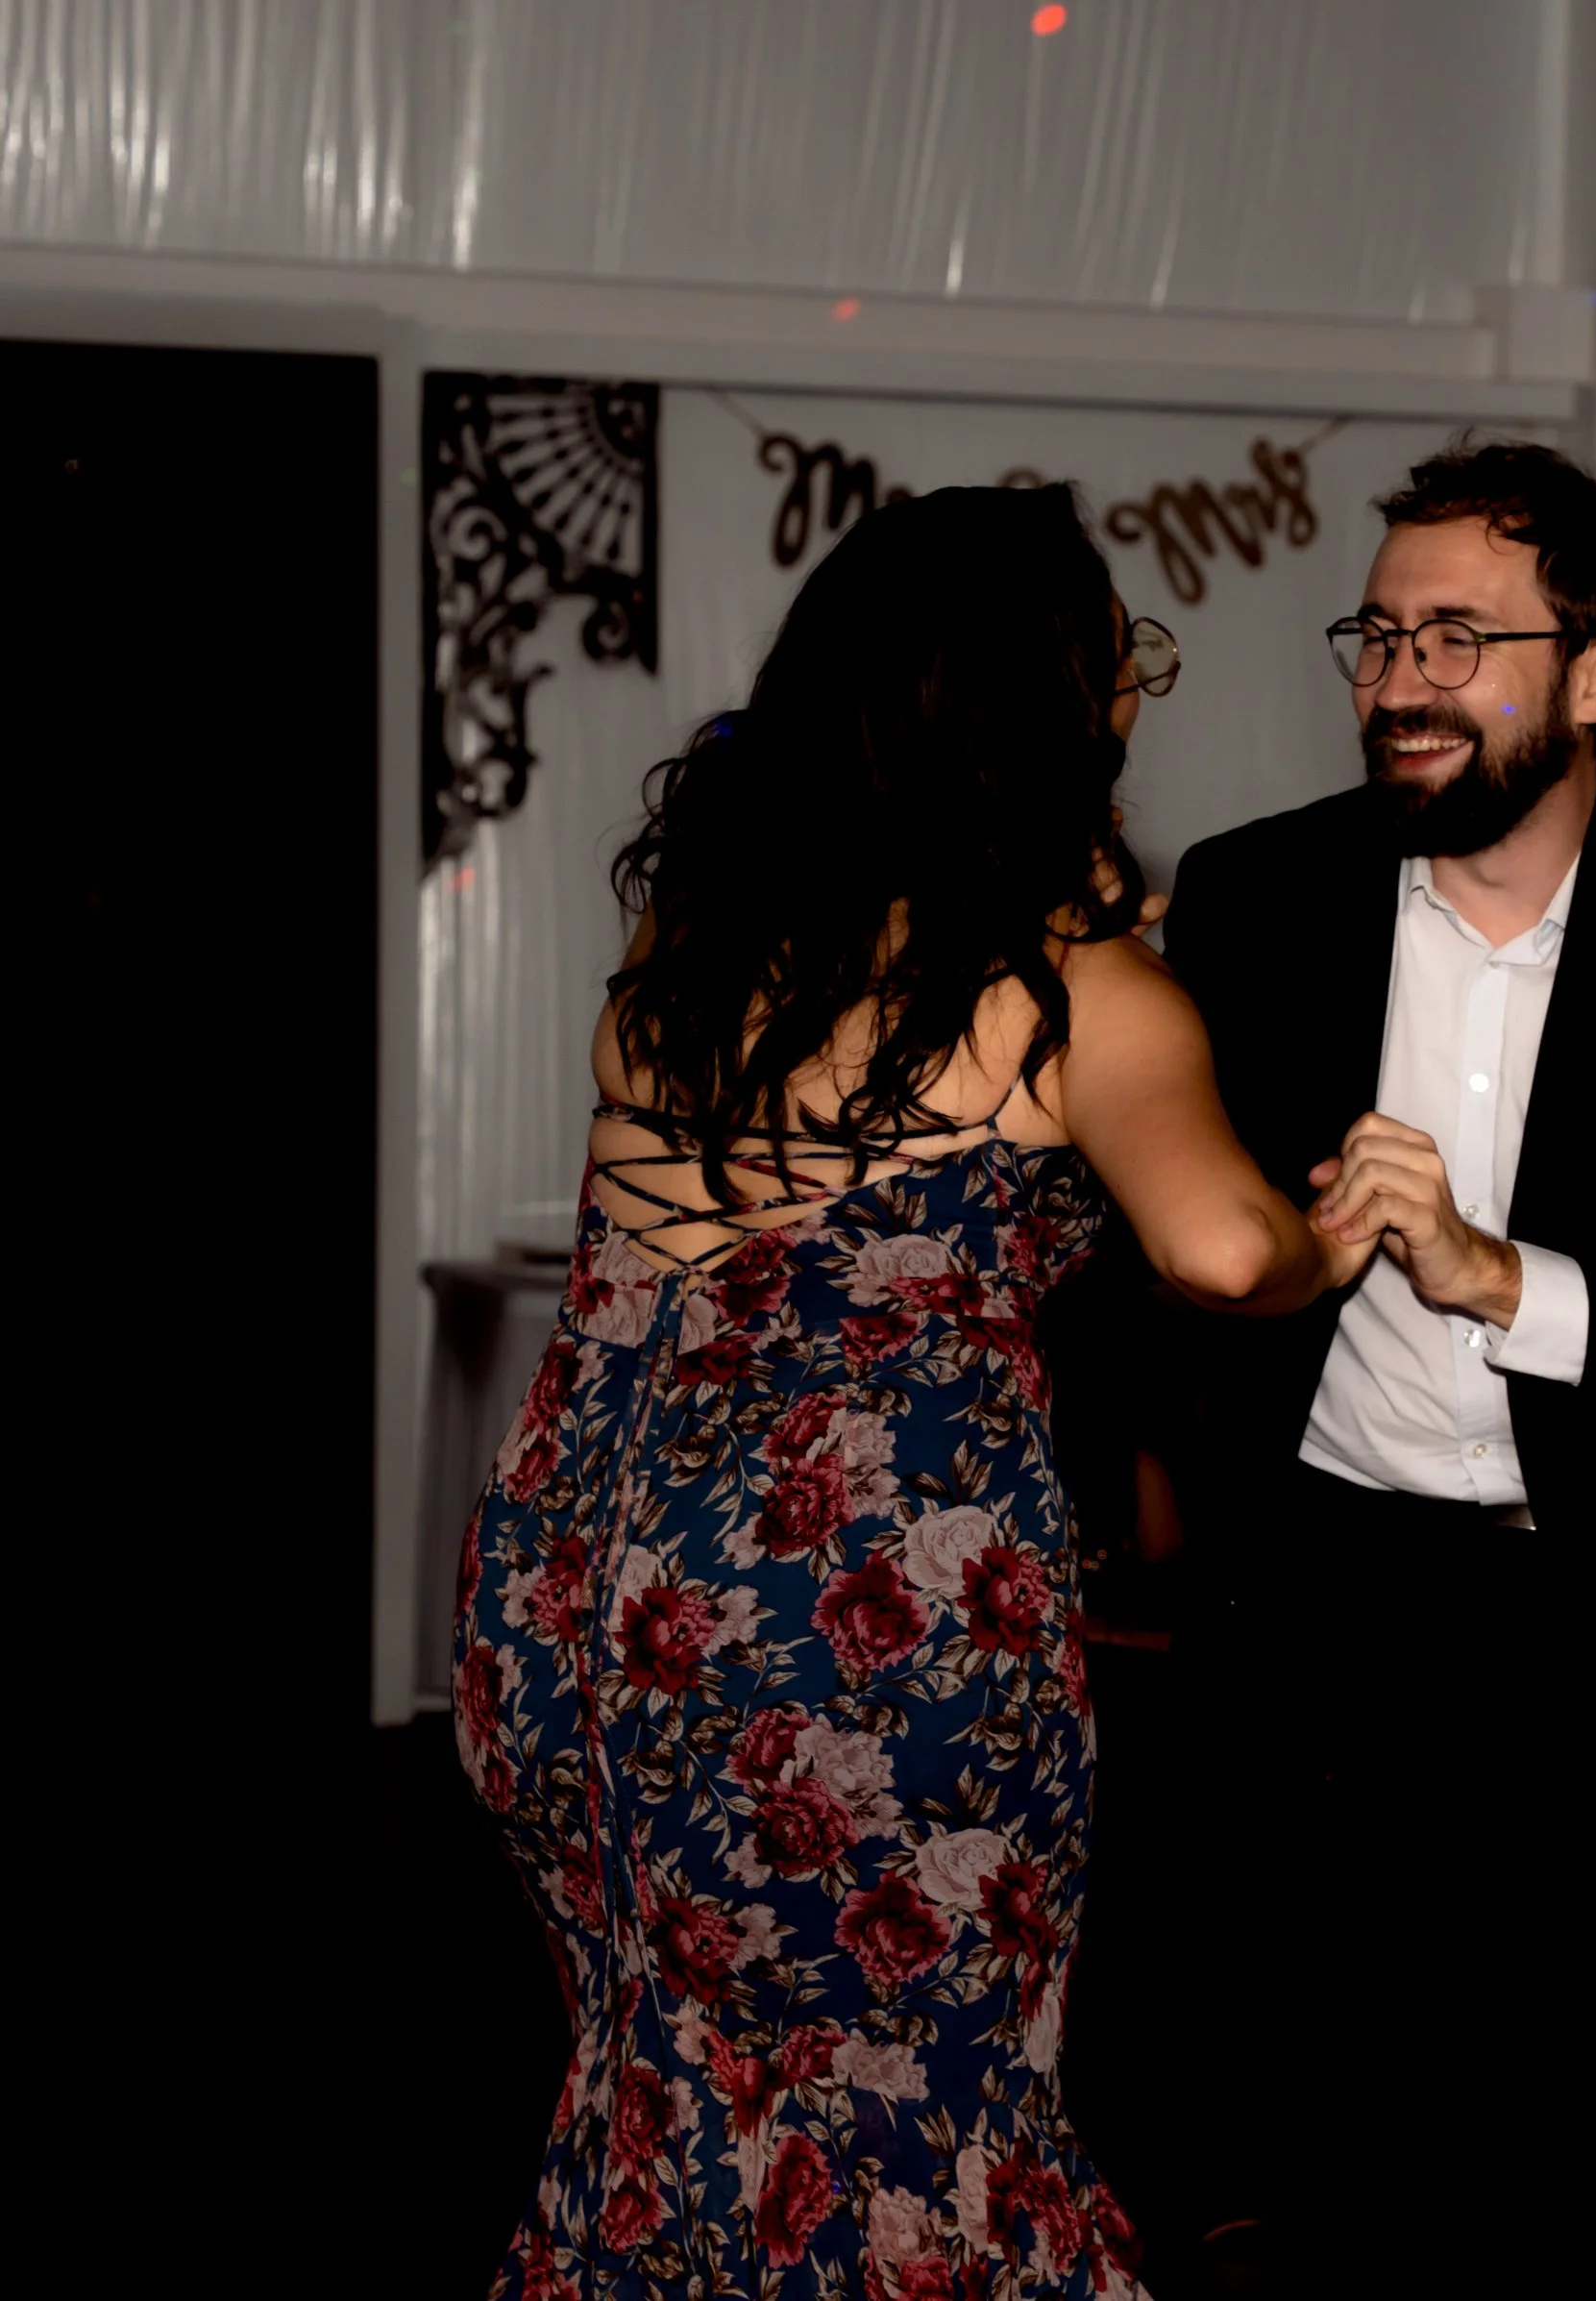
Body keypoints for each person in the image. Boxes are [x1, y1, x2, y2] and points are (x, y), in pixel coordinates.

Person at [452, 483, 1370, 2300]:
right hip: (849, 1627)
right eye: (1126, 671)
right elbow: (1218, 1254)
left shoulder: (694, 961)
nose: (1135, 706)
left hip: (572, 1602)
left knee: (669, 2082)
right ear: (1044, 711)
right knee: (913, 2113)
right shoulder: (1080, 997)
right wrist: (1336, 1229)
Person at [1159, 438, 1596, 2282]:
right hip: (1335, 1607)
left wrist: (1503, 1278)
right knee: (1341, 2169)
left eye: (1457, 639)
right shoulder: (1251, 900)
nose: (1397, 681)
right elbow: (1143, 1267)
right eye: (1378, 634)